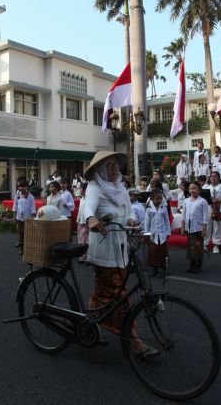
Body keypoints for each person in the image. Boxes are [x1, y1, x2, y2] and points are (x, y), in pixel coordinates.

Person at [82, 152, 155, 356]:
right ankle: (133, 339)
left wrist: (131, 219)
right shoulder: (95, 188)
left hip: (121, 246)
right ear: (100, 170)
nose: (114, 169)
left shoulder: (120, 188)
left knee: (102, 292)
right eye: (109, 166)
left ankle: (90, 323)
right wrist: (91, 220)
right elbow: (88, 207)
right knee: (118, 293)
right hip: (105, 249)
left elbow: (129, 209)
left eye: (115, 165)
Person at [181, 181, 208, 273]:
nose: (192, 190)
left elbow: (205, 216)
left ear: (199, 190)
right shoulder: (186, 201)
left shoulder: (203, 201)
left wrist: (204, 229)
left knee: (198, 246)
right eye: (190, 189)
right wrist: (182, 227)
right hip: (189, 228)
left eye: (194, 188)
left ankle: (198, 265)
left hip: (198, 227)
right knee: (190, 247)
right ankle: (192, 264)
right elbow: (183, 215)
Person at [145, 189, 171, 277]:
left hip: (162, 234)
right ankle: (154, 269)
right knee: (153, 251)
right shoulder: (149, 209)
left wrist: (168, 232)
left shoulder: (163, 209)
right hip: (153, 234)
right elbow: (146, 222)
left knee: (162, 251)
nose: (159, 200)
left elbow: (167, 221)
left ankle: (163, 269)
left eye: (161, 199)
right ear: (152, 199)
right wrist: (146, 233)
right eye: (157, 199)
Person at [204, 171, 221, 254]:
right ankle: (205, 244)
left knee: (217, 227)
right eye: (211, 176)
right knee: (207, 227)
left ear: (218, 178)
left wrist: (218, 199)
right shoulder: (206, 186)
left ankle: (216, 245)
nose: (213, 178)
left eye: (215, 176)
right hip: (207, 208)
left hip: (219, 208)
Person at [13, 180, 36, 256]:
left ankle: (28, 249)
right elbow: (15, 207)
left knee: (27, 234)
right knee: (20, 233)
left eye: (23, 186)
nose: (22, 188)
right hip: (19, 218)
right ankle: (22, 249)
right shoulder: (17, 196)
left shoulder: (31, 197)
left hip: (28, 218)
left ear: (27, 187)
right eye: (20, 186)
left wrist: (33, 218)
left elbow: (33, 208)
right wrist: (14, 217)